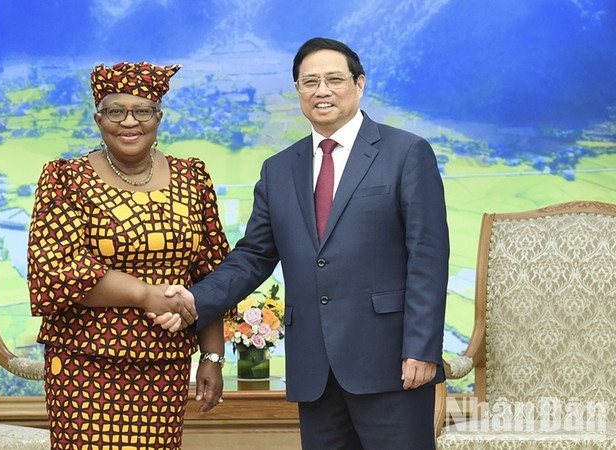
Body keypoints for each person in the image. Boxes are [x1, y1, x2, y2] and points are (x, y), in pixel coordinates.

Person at [161, 37, 449, 449]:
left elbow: (428, 256)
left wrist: (422, 348)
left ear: (359, 83)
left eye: (334, 79)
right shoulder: (279, 169)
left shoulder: (406, 153)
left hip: (393, 364)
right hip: (314, 370)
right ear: (297, 90)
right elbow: (254, 255)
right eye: (309, 81)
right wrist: (194, 300)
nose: (322, 90)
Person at [27, 61, 229, 449]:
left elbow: (212, 274)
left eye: (142, 110)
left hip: (165, 364)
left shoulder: (193, 178)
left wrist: (213, 356)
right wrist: (144, 294)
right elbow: (55, 270)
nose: (128, 121)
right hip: (84, 364)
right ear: (98, 118)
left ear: (159, 116)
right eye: (115, 111)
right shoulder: (66, 178)